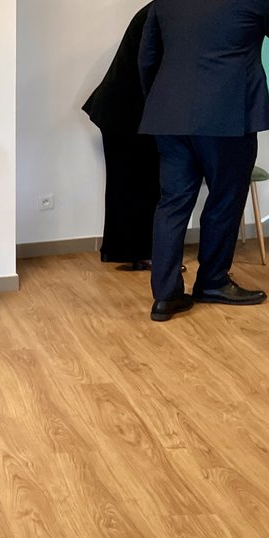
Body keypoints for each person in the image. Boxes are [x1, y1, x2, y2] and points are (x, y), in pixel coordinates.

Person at [138, 0, 269, 322]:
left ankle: (165, 296)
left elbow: (146, 57)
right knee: (225, 199)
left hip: (169, 114)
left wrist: (164, 103)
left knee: (172, 202)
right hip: (228, 115)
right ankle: (212, 282)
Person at [83, 3, 159, 271]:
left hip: (124, 110)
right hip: (127, 111)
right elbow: (151, 67)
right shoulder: (162, 13)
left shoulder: (157, 10)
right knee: (140, 184)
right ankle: (141, 253)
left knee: (131, 184)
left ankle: (136, 252)